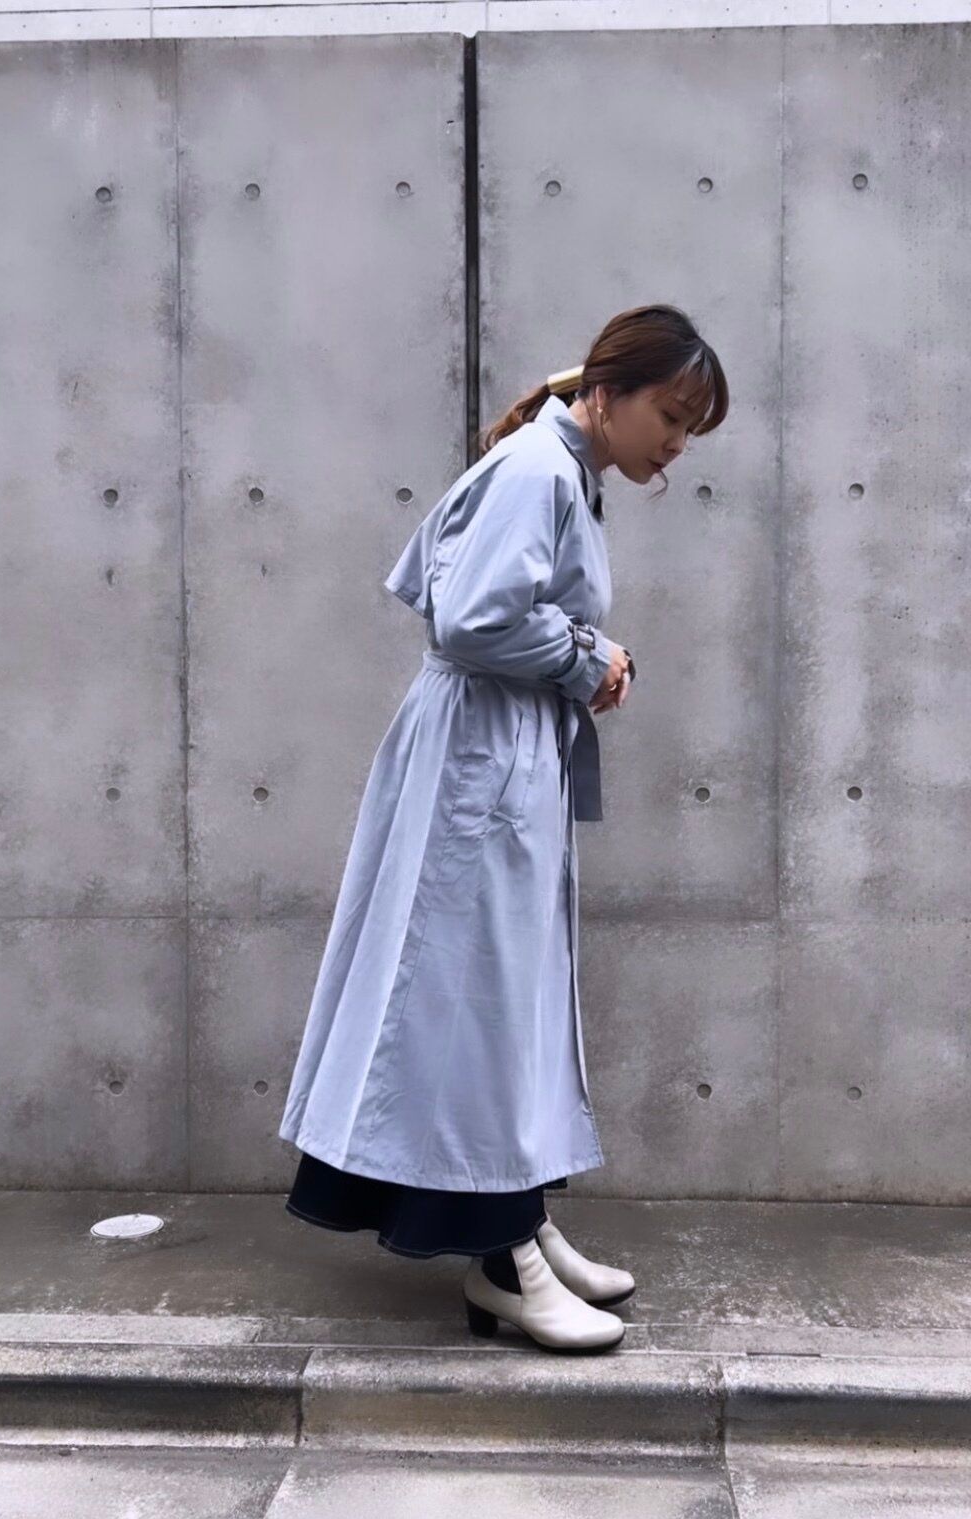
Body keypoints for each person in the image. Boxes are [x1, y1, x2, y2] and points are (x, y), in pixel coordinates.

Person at [278, 303, 728, 1354]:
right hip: (478, 762)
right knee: (481, 997)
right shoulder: (538, 471)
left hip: (493, 751)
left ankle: (519, 1223)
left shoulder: (561, 469)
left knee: (504, 996)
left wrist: (583, 658)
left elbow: (492, 607)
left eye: (689, 429)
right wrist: (588, 658)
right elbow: (475, 616)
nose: (675, 445)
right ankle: (502, 1257)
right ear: (607, 395)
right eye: (669, 416)